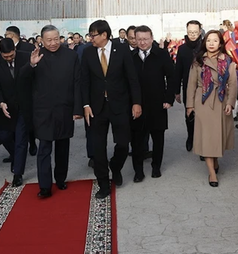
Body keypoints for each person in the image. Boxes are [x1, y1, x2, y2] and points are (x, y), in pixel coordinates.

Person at [81, 20, 141, 199]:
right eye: (90, 35)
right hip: (96, 107)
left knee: (123, 143)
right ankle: (103, 184)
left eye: (94, 35)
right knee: (98, 147)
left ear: (104, 35)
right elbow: (83, 81)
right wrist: (85, 105)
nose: (91, 38)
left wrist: (136, 102)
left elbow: (132, 78)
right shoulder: (87, 53)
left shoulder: (121, 50)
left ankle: (115, 166)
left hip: (119, 104)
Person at [20, 25, 82, 199]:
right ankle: (45, 186)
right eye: (49, 40)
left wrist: (77, 108)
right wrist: (31, 65)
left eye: (56, 39)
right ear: (41, 40)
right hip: (43, 110)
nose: (53, 43)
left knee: (63, 146)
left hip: (65, 108)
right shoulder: (35, 56)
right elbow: (21, 80)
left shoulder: (71, 56)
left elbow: (78, 83)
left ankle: (60, 178)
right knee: (44, 148)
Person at [186, 30, 237, 187]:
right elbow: (191, 84)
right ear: (204, 42)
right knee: (207, 138)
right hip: (203, 102)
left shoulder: (228, 61)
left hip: (221, 101)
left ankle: (214, 162)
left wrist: (230, 103)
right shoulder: (198, 62)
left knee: (217, 137)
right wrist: (190, 105)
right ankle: (212, 173)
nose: (211, 43)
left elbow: (233, 84)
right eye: (209, 40)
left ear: (221, 43)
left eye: (215, 41)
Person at [131, 25, 175, 181]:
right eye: (139, 39)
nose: (142, 42)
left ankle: (156, 166)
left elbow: (172, 77)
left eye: (145, 39)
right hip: (137, 105)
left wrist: (168, 99)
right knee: (136, 140)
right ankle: (138, 171)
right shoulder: (130, 57)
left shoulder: (161, 54)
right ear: (135, 39)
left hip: (157, 103)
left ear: (151, 38)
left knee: (158, 137)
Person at [0, 38, 32, 187]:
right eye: (5, 56)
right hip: (5, 106)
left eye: (11, 55)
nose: (8, 58)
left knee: (21, 139)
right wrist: (0, 103)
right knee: (4, 136)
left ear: (15, 50)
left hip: (24, 105)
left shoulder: (27, 57)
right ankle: (16, 156)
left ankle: (18, 173)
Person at [175, 20, 203, 152]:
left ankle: (202, 142)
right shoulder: (182, 49)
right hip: (188, 87)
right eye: (190, 32)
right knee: (189, 115)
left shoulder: (205, 47)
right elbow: (178, 70)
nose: (192, 35)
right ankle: (190, 137)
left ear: (200, 32)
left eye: (195, 32)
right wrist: (176, 91)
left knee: (203, 116)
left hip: (204, 88)